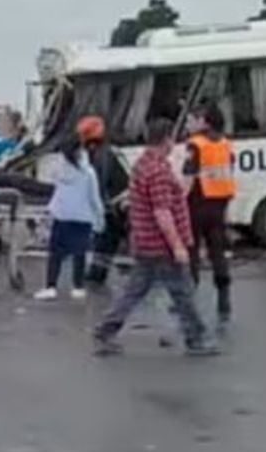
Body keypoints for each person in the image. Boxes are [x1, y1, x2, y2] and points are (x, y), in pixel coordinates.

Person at [94, 119, 218, 357]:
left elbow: (173, 195)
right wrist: (178, 245)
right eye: (173, 139)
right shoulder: (158, 171)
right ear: (167, 140)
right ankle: (196, 338)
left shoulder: (144, 164)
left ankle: (105, 330)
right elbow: (162, 211)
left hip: (145, 242)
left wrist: (189, 176)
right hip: (160, 245)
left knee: (134, 291)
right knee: (183, 292)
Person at [183, 103, 237, 325]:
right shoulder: (225, 143)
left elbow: (189, 176)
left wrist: (177, 200)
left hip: (197, 203)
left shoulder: (195, 144)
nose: (188, 124)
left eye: (191, 119)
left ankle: (189, 299)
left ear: (203, 121)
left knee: (192, 251)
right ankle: (224, 298)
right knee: (218, 252)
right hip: (220, 204)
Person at [34, 134, 105, 301]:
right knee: (79, 252)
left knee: (55, 253)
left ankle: (50, 286)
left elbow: (57, 194)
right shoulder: (88, 172)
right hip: (82, 217)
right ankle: (77, 287)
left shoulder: (59, 171)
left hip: (61, 216)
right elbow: (94, 198)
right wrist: (100, 217)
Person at [76, 116, 131, 287]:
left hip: (116, 204)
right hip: (122, 201)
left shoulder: (99, 155)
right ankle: (98, 272)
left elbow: (100, 183)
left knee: (108, 238)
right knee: (110, 239)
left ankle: (98, 273)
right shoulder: (110, 150)